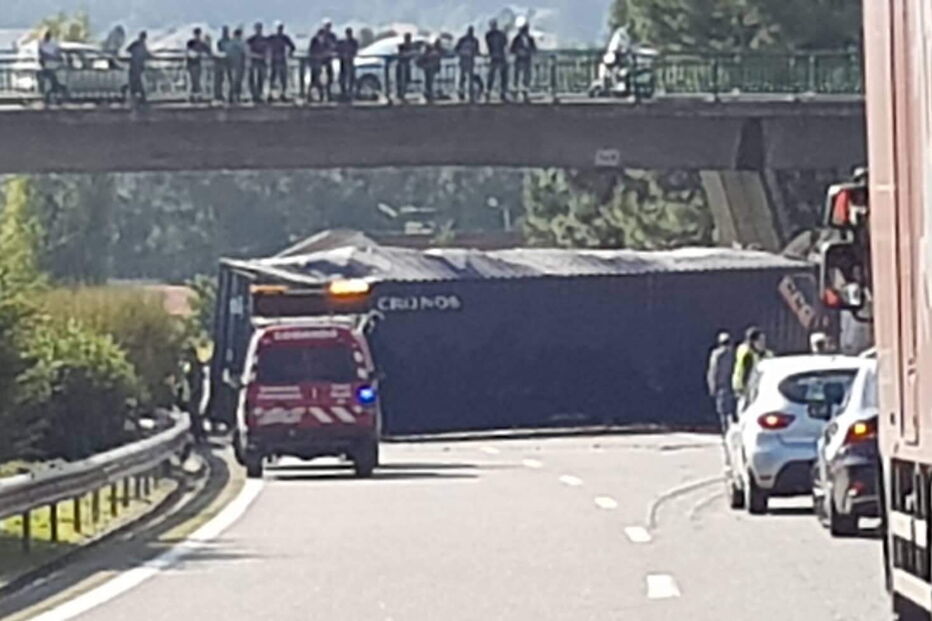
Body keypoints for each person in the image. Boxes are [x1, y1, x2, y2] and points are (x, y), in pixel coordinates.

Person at [706, 332, 736, 433]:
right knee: (729, 410)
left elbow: (713, 371)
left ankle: (726, 430)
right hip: (731, 385)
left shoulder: (717, 354)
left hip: (722, 385)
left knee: (723, 410)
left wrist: (712, 386)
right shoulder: (734, 354)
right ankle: (730, 429)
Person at [733, 327, 771, 398]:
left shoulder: (766, 354)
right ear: (753, 342)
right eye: (760, 341)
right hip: (746, 389)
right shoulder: (748, 355)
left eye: (764, 340)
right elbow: (745, 374)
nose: (763, 343)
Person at [267, 21, 295, 102]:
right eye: (278, 28)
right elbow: (264, 45)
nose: (280, 30)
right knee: (272, 78)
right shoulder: (271, 37)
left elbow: (293, 47)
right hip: (273, 60)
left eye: (281, 28)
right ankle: (270, 94)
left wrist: (289, 54)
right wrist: (266, 54)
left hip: (282, 60)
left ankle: (283, 94)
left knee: (283, 79)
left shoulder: (285, 38)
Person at [510, 20, 536, 102]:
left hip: (527, 60)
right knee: (517, 77)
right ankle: (515, 93)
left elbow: (534, 49)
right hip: (519, 60)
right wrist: (519, 52)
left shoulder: (530, 39)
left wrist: (528, 52)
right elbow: (512, 49)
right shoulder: (516, 39)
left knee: (527, 77)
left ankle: (525, 93)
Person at [38, 31, 65, 104]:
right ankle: (51, 96)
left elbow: (42, 54)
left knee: (51, 82)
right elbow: (57, 53)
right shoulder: (50, 44)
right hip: (51, 65)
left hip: (50, 65)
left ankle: (51, 96)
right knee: (51, 82)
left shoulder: (45, 44)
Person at [185, 27, 212, 102]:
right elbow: (188, 52)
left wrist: (208, 43)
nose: (197, 35)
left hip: (196, 64)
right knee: (193, 80)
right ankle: (193, 95)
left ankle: (196, 95)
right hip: (192, 63)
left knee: (196, 80)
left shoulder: (199, 43)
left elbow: (208, 52)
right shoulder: (192, 43)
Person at [485, 19, 508, 101]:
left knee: (503, 75)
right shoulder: (489, 34)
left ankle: (502, 92)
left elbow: (505, 43)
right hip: (495, 57)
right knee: (492, 75)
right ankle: (489, 91)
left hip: (500, 56)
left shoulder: (496, 34)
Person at [455, 26, 480, 102]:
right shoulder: (462, 40)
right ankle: (461, 92)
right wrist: (463, 53)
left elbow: (477, 50)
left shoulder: (475, 40)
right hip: (463, 61)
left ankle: (471, 93)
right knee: (462, 78)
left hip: (471, 61)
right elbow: (456, 49)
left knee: (470, 78)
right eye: (470, 31)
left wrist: (475, 54)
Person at [127, 31, 151, 105]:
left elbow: (128, 50)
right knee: (138, 83)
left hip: (135, 67)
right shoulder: (140, 45)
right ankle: (140, 99)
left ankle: (137, 98)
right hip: (137, 67)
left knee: (135, 83)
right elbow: (146, 54)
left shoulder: (137, 44)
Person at [247, 22, 269, 103]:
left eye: (260, 28)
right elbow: (247, 51)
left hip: (262, 62)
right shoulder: (251, 40)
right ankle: (253, 95)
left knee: (261, 79)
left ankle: (259, 95)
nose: (258, 30)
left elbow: (268, 50)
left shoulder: (265, 39)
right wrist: (256, 56)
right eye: (257, 28)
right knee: (252, 79)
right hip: (254, 62)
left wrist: (267, 57)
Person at [336, 27, 359, 101]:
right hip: (343, 62)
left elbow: (355, 51)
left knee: (351, 77)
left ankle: (350, 92)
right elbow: (338, 50)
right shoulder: (342, 42)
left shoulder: (354, 42)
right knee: (343, 77)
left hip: (350, 61)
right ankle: (343, 92)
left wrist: (349, 55)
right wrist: (342, 55)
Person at [418, 39, 443, 103]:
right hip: (428, 67)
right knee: (429, 81)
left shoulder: (435, 52)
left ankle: (428, 93)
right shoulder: (433, 53)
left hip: (430, 67)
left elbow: (437, 60)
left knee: (429, 81)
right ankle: (428, 93)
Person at [227, 28, 247, 103]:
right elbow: (245, 52)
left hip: (236, 64)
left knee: (236, 81)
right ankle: (233, 96)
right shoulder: (239, 43)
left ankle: (235, 96)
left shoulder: (231, 43)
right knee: (235, 81)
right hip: (236, 65)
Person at [320, 19, 338, 102]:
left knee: (330, 78)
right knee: (320, 78)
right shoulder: (320, 35)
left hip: (329, 60)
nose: (328, 28)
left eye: (329, 26)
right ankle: (321, 95)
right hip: (320, 60)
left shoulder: (332, 36)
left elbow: (336, 46)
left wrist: (332, 49)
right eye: (326, 26)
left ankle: (329, 94)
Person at [395, 32, 417, 101]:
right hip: (402, 65)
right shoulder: (402, 46)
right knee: (401, 80)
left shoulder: (410, 46)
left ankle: (402, 94)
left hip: (406, 65)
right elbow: (401, 54)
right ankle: (400, 94)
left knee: (405, 81)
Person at [214, 26, 232, 102]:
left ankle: (230, 95)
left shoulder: (231, 41)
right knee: (219, 80)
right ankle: (219, 95)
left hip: (229, 63)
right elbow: (219, 50)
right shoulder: (220, 41)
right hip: (221, 62)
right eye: (224, 31)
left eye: (226, 31)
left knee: (229, 80)